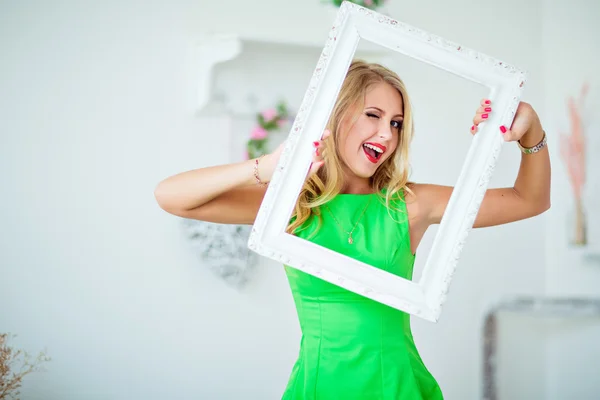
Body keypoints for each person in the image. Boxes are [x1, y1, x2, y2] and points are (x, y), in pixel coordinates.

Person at [154, 60, 551, 399]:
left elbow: (528, 200)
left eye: (396, 123)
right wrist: (266, 168)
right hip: (318, 386)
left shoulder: (409, 204)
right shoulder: (292, 205)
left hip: (395, 386)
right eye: (374, 116)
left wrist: (531, 131)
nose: (387, 135)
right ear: (337, 115)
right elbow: (172, 197)